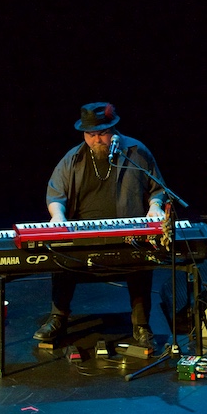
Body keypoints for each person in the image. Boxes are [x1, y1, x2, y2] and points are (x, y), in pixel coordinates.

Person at [33, 102, 167, 351]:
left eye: (102, 134)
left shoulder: (137, 152)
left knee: (141, 260)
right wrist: (58, 216)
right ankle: (58, 318)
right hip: (83, 231)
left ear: (114, 130)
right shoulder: (73, 158)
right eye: (90, 135)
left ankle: (140, 325)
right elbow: (55, 195)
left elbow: (157, 189)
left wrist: (155, 205)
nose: (96, 140)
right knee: (62, 256)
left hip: (127, 233)